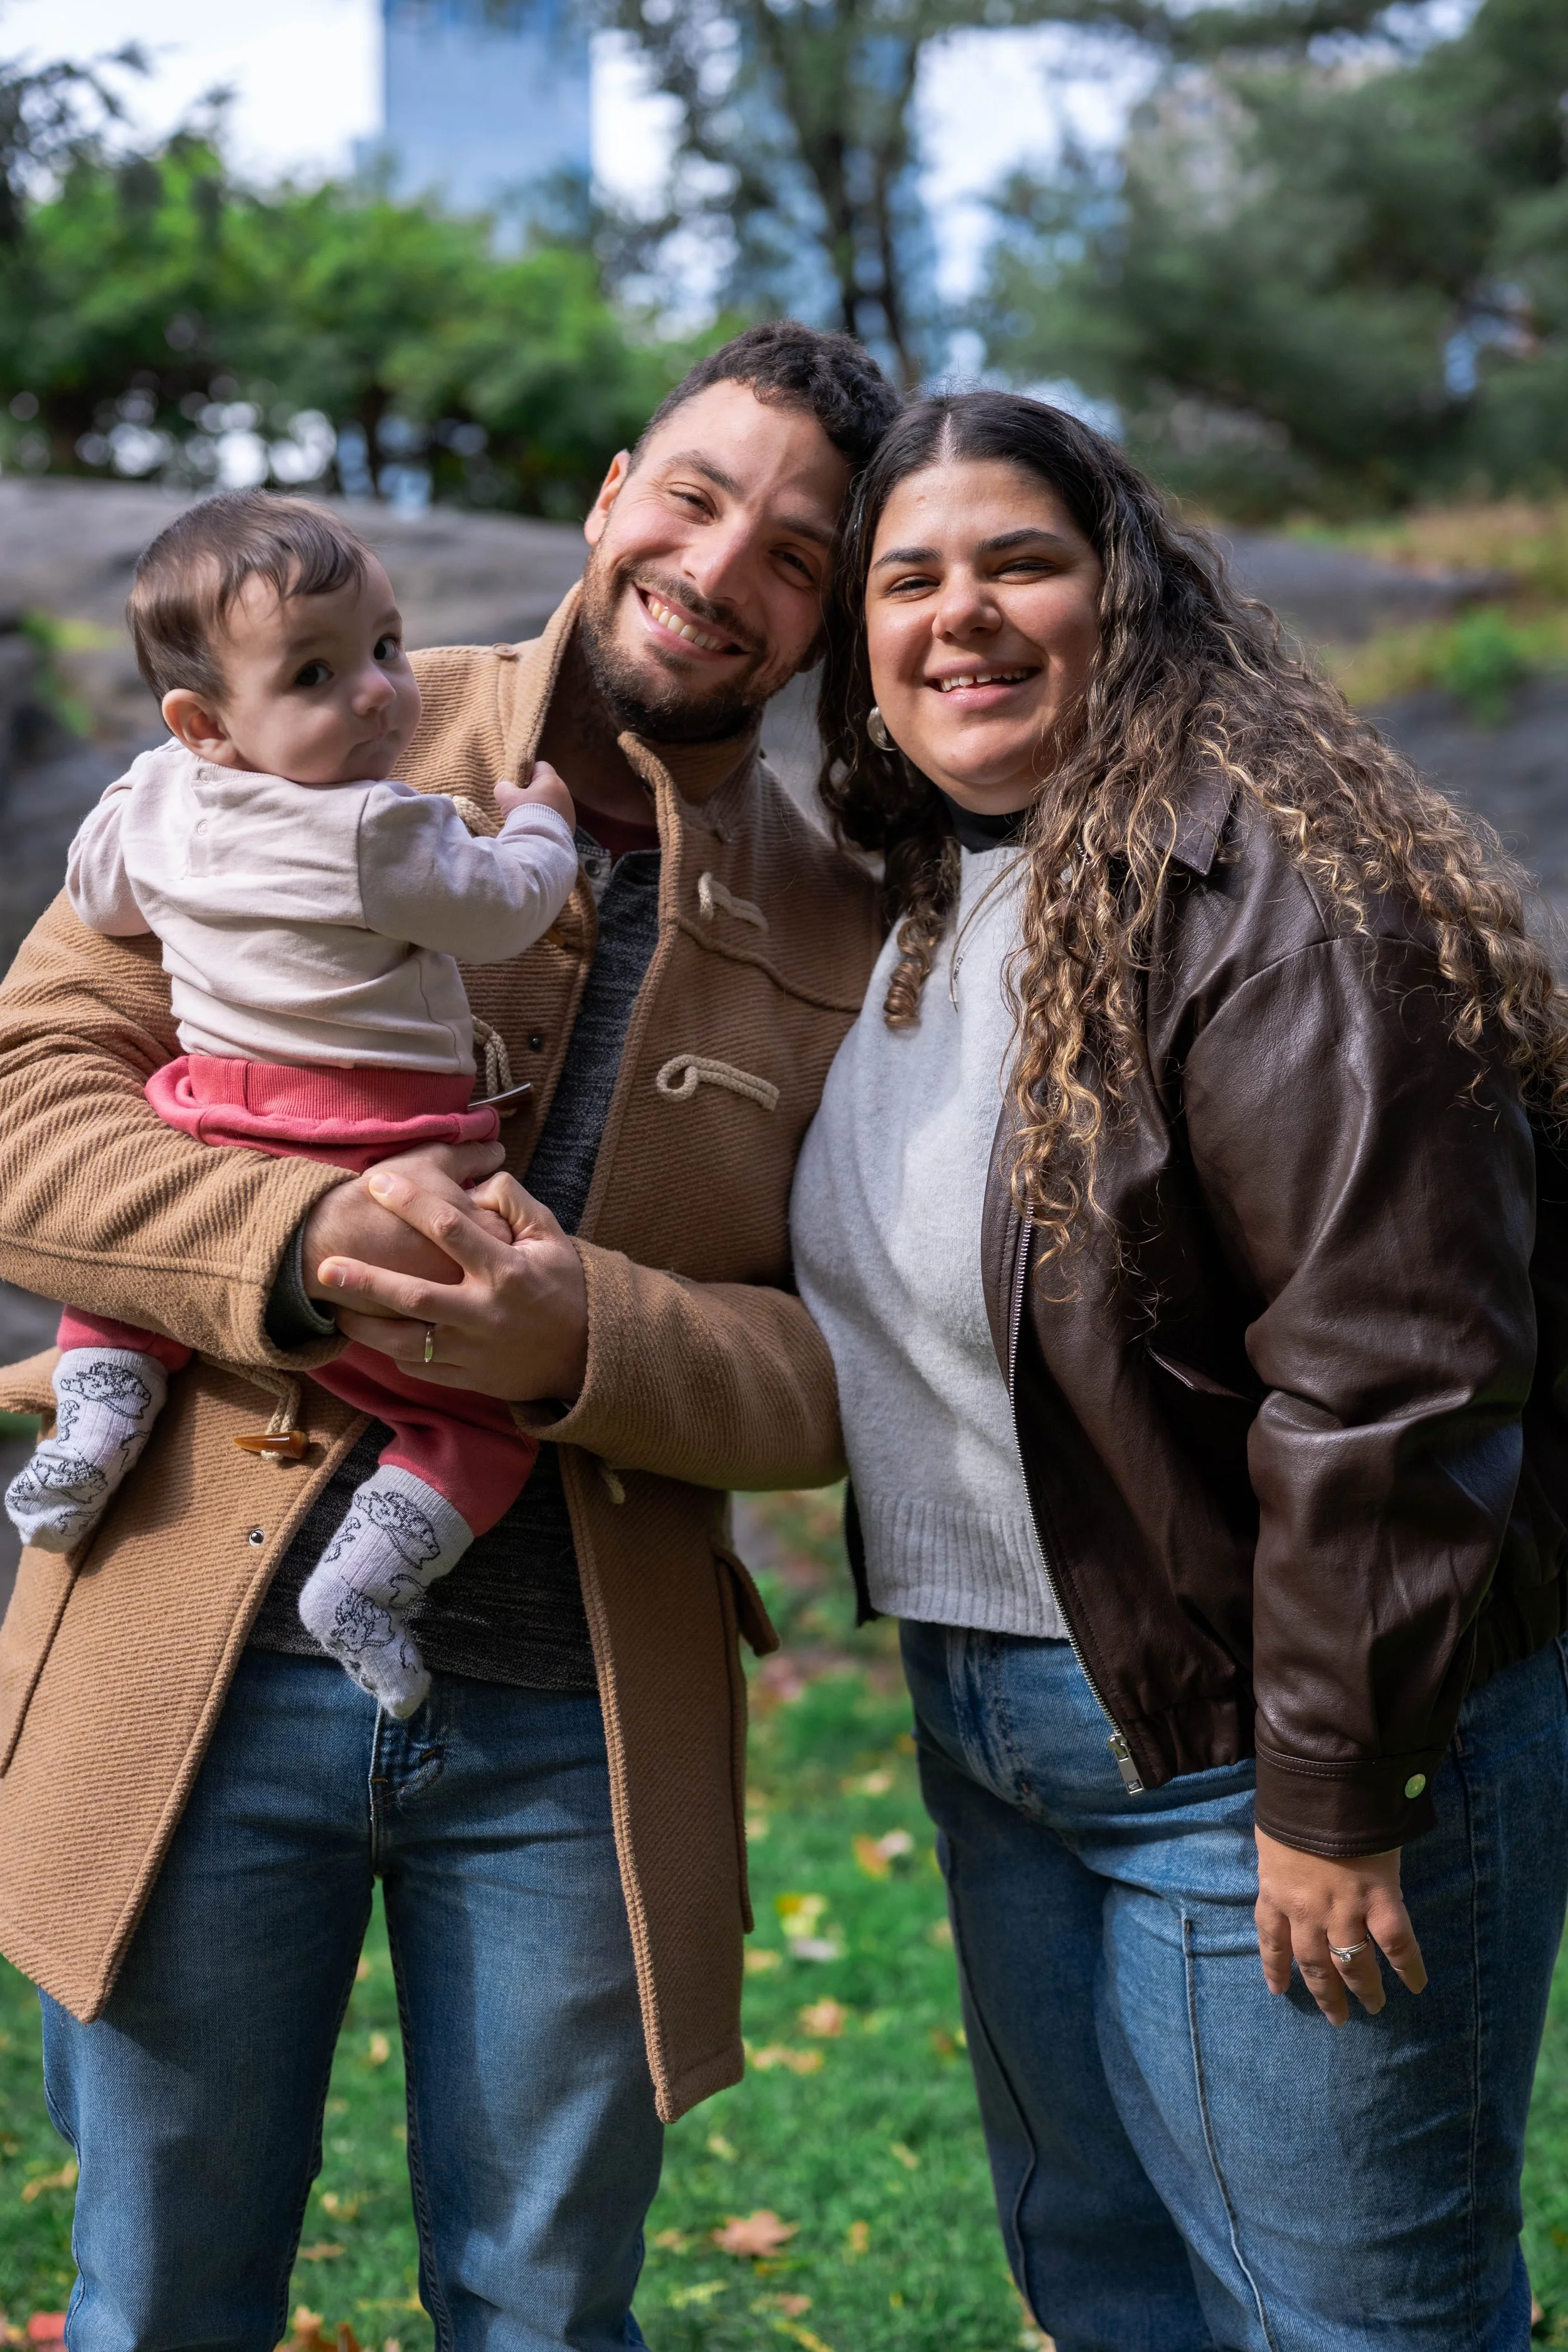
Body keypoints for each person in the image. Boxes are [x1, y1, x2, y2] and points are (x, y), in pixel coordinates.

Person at [0, 321, 898, 2350]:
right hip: (189, 1670)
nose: (719, 561)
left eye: (797, 549)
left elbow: (841, 1371)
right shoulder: (291, 719)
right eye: (695, 491)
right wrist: (304, 1229)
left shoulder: (847, 936)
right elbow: (24, 1117)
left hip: (572, 1734)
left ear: (823, 615)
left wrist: (585, 1339)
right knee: (162, 2301)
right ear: (608, 495)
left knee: (546, 2315)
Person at [790, 388, 1568, 2351]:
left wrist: (1326, 1782)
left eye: (1017, 561)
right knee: (1109, 2286)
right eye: (908, 578)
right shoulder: (922, 890)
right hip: (1005, 1714)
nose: (960, 613)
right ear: (860, 649)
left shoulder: (1268, 888)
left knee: (1349, 2320)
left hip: (1262, 1735)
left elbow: (1394, 1379)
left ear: (1121, 592)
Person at [4, 492, 581, 1719]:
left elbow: (100, 901)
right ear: (207, 721)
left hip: (213, 1113)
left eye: (384, 645)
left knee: (140, 1265)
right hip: (385, 1144)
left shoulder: (153, 800)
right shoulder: (381, 828)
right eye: (318, 674)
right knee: (479, 1419)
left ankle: (100, 1407)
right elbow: (510, 906)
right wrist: (539, 824)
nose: (378, 691)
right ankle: (367, 1580)